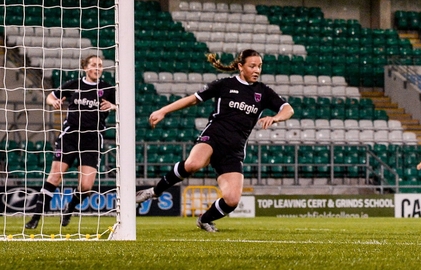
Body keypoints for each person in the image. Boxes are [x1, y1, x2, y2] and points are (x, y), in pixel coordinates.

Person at [135, 49, 294, 232]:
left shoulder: (263, 92)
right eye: (252, 66)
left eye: (259, 66)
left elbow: (288, 109)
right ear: (240, 67)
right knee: (194, 164)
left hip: (234, 149)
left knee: (232, 200)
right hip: (213, 137)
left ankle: (204, 219)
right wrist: (163, 110)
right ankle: (154, 191)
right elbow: (193, 100)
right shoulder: (224, 84)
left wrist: (275, 118)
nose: (257, 70)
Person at [25, 54, 116, 229]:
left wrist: (113, 106)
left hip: (92, 139)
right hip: (70, 136)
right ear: (85, 67)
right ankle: (35, 218)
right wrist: (54, 102)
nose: (97, 68)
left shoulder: (108, 89)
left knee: (86, 186)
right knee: (55, 176)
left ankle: (70, 207)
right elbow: (50, 96)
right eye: (93, 64)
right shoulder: (73, 85)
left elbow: (124, 106)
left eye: (100, 65)